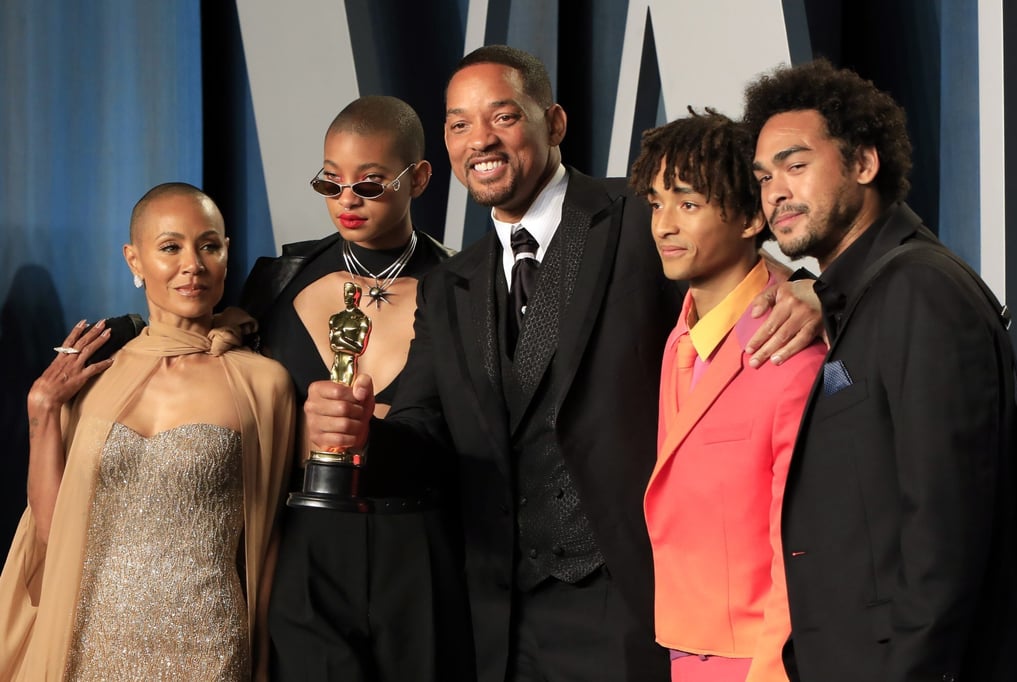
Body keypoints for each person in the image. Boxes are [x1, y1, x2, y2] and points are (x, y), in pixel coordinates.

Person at [305, 46, 823, 682]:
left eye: (502, 116)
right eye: (459, 124)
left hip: (631, 602)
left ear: (553, 123)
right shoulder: (450, 284)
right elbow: (431, 431)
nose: (480, 140)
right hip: (499, 616)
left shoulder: (639, 217)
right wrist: (363, 437)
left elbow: (736, 259)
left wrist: (812, 288)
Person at [745, 59, 1017, 681]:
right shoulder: (860, 293)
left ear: (865, 164)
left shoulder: (920, 291)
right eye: (764, 176)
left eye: (796, 165)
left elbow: (946, 530)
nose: (775, 193)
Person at [0, 183, 295, 680]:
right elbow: (53, 532)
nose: (193, 265)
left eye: (209, 245)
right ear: (134, 260)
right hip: (90, 634)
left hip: (207, 644)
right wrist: (43, 411)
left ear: (226, 254)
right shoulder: (95, 373)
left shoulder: (262, 383)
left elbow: (268, 544)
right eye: (170, 247)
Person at [239, 95, 472, 682]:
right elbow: (224, 388)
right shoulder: (273, 283)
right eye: (330, 182)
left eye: (369, 184)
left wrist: (378, 433)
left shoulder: (468, 291)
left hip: (417, 550)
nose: (346, 200)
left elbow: (476, 438)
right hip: (303, 553)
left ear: (418, 178)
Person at [630, 110, 825, 681]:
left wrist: (770, 668)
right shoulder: (679, 337)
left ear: (747, 216)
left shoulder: (793, 343)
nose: (665, 224)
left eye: (688, 204)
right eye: (656, 203)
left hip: (759, 659)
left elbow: (800, 541)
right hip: (682, 643)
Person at [328, 282, 372, 385]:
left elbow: (359, 349)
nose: (347, 296)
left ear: (357, 295)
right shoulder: (335, 318)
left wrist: (341, 341)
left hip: (349, 363)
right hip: (336, 363)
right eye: (346, 292)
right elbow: (332, 344)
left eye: (350, 292)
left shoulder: (362, 319)